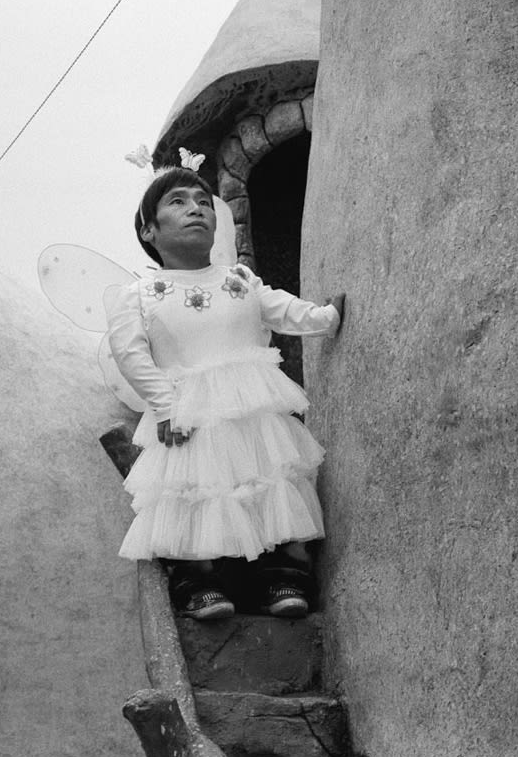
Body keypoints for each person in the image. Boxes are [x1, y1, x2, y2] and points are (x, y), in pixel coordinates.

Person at [105, 165, 344, 620]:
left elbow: (282, 309)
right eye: (177, 201)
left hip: (252, 415)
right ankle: (202, 585)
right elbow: (130, 353)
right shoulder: (139, 294)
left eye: (203, 202)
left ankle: (282, 580)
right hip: (186, 417)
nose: (195, 208)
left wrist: (326, 317)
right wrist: (165, 405)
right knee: (194, 496)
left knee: (268, 487)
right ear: (149, 230)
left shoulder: (239, 279)